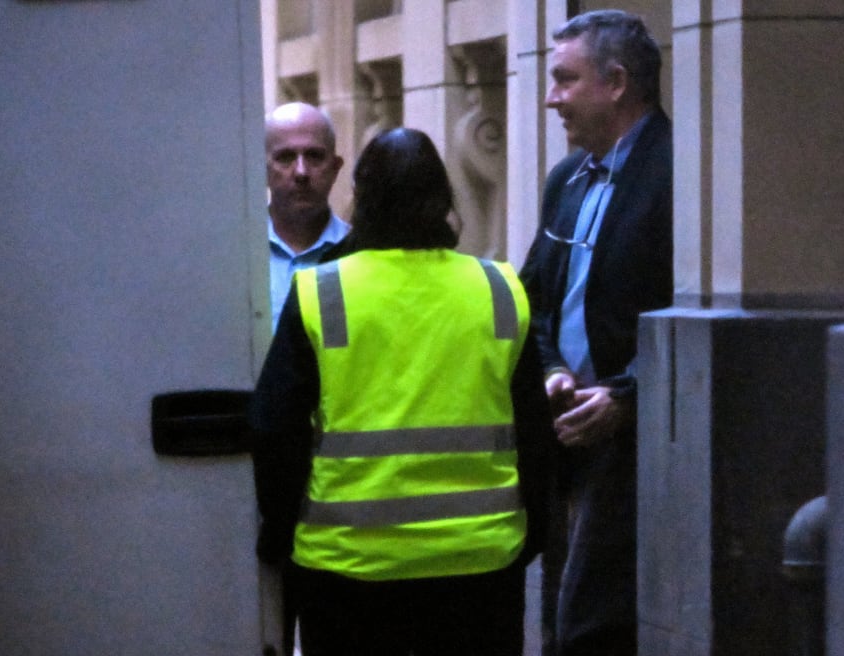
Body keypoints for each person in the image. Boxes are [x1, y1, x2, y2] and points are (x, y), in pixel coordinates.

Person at [250, 127, 555, 656]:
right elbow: (534, 428)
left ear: (362, 197)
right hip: (479, 566)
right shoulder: (500, 289)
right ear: (442, 199)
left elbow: (275, 429)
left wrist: (279, 535)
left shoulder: (323, 291)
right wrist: (535, 531)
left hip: (348, 569)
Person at [519, 10, 673, 656]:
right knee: (560, 616)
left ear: (615, 82)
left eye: (564, 79)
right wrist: (552, 367)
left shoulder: (676, 173)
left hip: (635, 446)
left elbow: (678, 314)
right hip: (565, 437)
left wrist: (625, 395)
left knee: (592, 626)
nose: (551, 97)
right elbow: (536, 300)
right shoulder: (568, 178)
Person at [265, 102, 351, 329]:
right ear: (261, 169)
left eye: (314, 156)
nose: (301, 172)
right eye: (285, 157)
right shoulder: (235, 255)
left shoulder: (357, 253)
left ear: (335, 168)